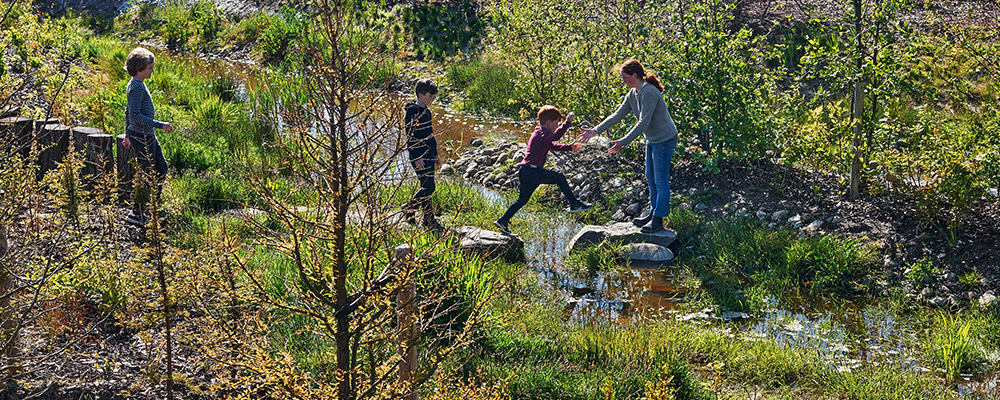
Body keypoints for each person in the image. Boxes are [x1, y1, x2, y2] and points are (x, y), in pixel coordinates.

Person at [578, 58, 677, 233]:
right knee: (650, 177)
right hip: (653, 140)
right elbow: (617, 115)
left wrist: (622, 142)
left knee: (661, 181)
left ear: (635, 75)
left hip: (664, 139)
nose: (623, 81)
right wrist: (595, 130)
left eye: (625, 77)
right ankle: (653, 212)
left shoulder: (649, 92)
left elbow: (643, 123)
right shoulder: (633, 93)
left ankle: (658, 220)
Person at [494, 106, 591, 235]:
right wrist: (567, 122)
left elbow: (552, 145)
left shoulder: (541, 134)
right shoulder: (542, 133)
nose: (557, 125)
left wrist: (570, 148)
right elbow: (556, 137)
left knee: (522, 200)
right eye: (557, 123)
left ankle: (503, 220)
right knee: (560, 178)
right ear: (549, 122)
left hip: (526, 171)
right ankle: (574, 204)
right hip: (532, 172)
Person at [121, 47, 173, 227]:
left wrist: (127, 135)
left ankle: (150, 207)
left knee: (161, 167)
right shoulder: (136, 87)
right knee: (147, 174)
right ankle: (138, 212)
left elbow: (128, 112)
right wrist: (161, 125)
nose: (152, 71)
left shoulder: (137, 83)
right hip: (142, 136)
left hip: (144, 135)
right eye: (150, 68)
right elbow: (134, 115)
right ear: (140, 69)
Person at [402, 78, 442, 229]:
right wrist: (417, 157)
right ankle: (409, 208)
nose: (432, 99)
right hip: (418, 155)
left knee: (427, 186)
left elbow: (430, 135)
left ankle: (428, 218)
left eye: (433, 96)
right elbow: (410, 136)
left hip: (429, 154)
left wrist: (436, 154)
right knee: (428, 186)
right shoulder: (412, 112)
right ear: (420, 95)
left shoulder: (427, 111)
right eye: (430, 96)